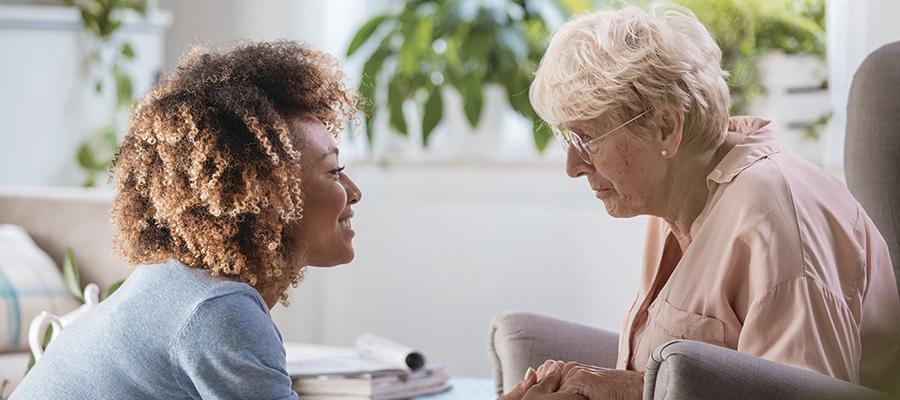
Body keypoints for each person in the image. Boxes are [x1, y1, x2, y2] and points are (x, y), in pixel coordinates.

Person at [505, 4, 900, 400]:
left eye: (586, 139)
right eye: (567, 139)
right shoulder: (676, 195)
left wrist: (626, 392)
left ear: (665, 127)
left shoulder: (774, 220)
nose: (573, 167)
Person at [12, 41, 362, 399]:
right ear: (261, 194)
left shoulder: (177, 283)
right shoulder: (219, 309)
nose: (354, 192)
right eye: (335, 171)